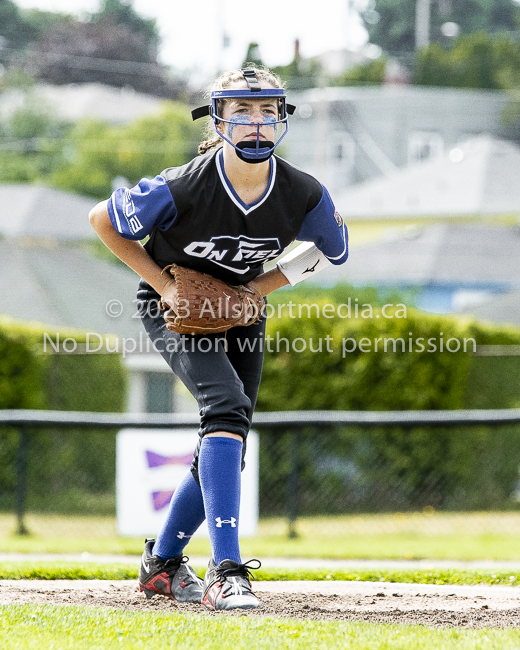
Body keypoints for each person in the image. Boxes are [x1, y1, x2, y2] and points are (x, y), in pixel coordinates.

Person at [89, 66, 349, 611]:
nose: (256, 124)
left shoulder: (302, 192)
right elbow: (102, 220)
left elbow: (330, 249)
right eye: (241, 111)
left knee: (225, 435)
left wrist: (258, 287)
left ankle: (161, 565)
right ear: (218, 119)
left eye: (267, 111)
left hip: (241, 311)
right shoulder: (185, 184)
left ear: (282, 118)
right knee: (226, 410)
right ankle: (226, 572)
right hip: (175, 310)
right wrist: (163, 284)